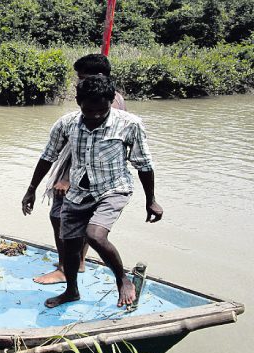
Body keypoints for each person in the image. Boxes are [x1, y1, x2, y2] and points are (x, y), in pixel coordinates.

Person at [21, 75, 163, 308]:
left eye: (102, 110)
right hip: (78, 191)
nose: (95, 116)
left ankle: (122, 279)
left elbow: (144, 164)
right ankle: (71, 291)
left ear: (111, 101)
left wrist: (151, 200)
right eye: (89, 110)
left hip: (113, 189)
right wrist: (31, 190)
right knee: (69, 244)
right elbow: (48, 156)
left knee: (95, 235)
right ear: (78, 102)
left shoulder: (130, 124)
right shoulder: (67, 124)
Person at [34, 53, 128, 285]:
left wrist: (65, 178)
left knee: (61, 216)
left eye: (81, 77)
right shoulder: (112, 96)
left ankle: (67, 267)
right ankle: (77, 264)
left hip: (83, 175)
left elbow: (89, 151)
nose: (78, 82)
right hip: (91, 172)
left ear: (98, 77)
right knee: (79, 220)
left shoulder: (105, 101)